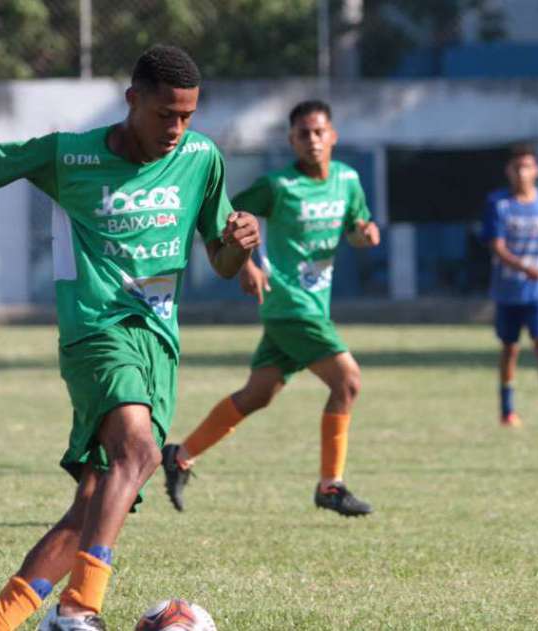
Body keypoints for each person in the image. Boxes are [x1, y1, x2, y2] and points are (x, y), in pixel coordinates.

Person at [0, 45, 260, 631]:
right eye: (164, 114)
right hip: (95, 331)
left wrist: (240, 245)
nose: (176, 128)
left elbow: (220, 260)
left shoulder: (202, 159)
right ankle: (79, 611)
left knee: (94, 504)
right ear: (133, 101)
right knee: (141, 453)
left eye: (187, 116)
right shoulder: (70, 154)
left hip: (159, 343)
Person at [161, 100, 380, 518]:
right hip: (291, 306)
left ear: (332, 135)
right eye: (303, 134)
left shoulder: (348, 180)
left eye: (319, 132)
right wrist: (247, 263)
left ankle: (181, 455)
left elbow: (355, 229)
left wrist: (364, 235)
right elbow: (229, 218)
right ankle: (330, 486)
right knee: (347, 382)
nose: (312, 141)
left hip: (311, 306)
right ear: (291, 140)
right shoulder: (278, 186)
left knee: (257, 395)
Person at [481, 144, 538, 428]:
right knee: (510, 349)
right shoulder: (498, 204)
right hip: (509, 291)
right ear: (509, 171)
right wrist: (524, 268)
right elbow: (496, 246)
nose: (522, 173)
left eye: (527, 166)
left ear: (537, 170)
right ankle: (508, 410)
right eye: (517, 167)